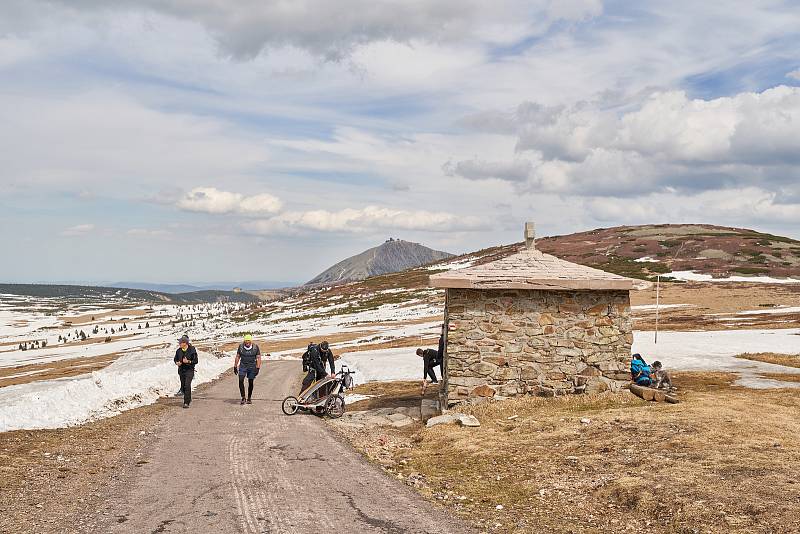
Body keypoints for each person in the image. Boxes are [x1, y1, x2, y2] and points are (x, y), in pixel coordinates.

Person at [233, 334, 262, 405]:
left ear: (251, 341)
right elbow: (238, 356)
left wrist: (258, 367)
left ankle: (249, 398)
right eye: (246, 341)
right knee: (240, 380)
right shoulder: (241, 347)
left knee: (251, 382)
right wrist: (235, 366)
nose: (247, 342)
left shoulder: (255, 347)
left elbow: (258, 358)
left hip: (252, 367)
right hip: (243, 366)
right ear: (244, 341)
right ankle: (243, 397)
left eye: (249, 341)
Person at [174, 335, 198, 408]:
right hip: (181, 370)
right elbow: (175, 359)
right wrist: (177, 362)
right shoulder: (178, 351)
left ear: (185, 343)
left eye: (180, 342)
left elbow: (196, 361)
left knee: (187, 385)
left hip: (189, 370)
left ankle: (186, 402)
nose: (179, 343)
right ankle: (189, 398)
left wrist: (188, 361)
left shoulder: (192, 350)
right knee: (183, 386)